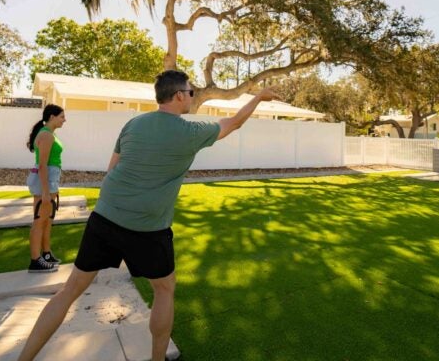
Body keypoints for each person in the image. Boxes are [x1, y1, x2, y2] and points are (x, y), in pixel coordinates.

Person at [18, 70, 279, 361]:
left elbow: (111, 169)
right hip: (148, 228)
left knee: (69, 291)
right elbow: (234, 123)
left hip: (104, 217)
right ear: (179, 95)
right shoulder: (191, 132)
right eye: (191, 92)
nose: (192, 97)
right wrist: (258, 97)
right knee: (164, 289)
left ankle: (24, 358)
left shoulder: (134, 123)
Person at [26, 104, 66, 273]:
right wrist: (45, 192)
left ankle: (46, 254)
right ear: (52, 117)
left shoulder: (50, 134)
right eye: (62, 116)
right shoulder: (46, 136)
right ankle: (35, 260)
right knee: (39, 221)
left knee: (47, 220)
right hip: (45, 180)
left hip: (51, 180)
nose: (64, 120)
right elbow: (42, 165)